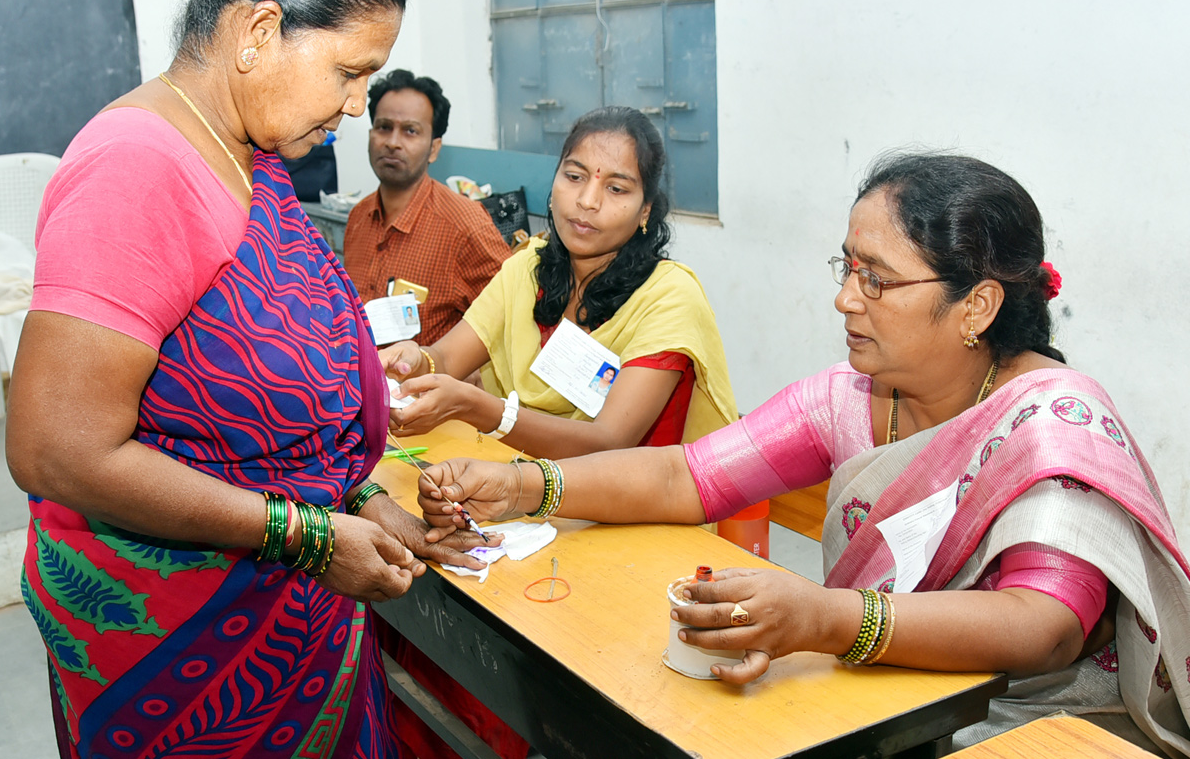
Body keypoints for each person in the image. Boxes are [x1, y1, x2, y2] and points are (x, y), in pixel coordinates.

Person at [418, 152, 1190, 755]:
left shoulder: (1053, 427)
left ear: (977, 306)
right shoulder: (852, 395)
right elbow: (687, 477)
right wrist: (524, 485)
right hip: (874, 696)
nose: (845, 299)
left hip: (1026, 727)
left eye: (877, 279)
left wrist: (824, 620)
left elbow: (1045, 626)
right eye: (847, 267)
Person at [5, 0, 490, 759]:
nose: (352, 108)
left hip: (291, 614)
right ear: (259, 31)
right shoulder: (137, 169)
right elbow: (56, 449)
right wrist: (302, 536)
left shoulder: (248, 158)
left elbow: (262, 401)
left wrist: (368, 503)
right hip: (184, 646)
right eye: (349, 73)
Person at [382, 106, 738, 459]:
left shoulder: (669, 298)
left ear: (645, 209)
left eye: (615, 188)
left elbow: (608, 441)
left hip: (627, 504)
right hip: (512, 485)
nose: (587, 201)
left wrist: (484, 410)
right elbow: (445, 357)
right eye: (574, 176)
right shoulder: (527, 268)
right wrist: (415, 361)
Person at [343, 69, 511, 345]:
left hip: (424, 385)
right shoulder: (359, 218)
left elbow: (513, 317)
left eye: (410, 131)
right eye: (384, 127)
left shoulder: (465, 226)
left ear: (434, 148)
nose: (393, 142)